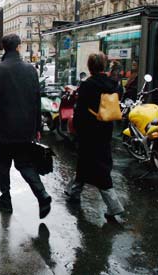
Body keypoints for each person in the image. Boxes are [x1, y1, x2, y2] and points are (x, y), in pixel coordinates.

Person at [0, 33, 52, 219]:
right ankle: (42, 194)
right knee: (24, 163)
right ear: (19, 46)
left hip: (2, 126)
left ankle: (6, 200)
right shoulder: (31, 70)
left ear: (3, 48)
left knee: (3, 163)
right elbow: (37, 100)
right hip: (25, 126)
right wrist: (37, 127)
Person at [66, 52, 124, 222]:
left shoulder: (88, 85)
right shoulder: (113, 84)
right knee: (89, 162)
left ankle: (114, 207)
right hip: (105, 129)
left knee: (97, 167)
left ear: (90, 66)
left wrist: (76, 128)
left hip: (89, 131)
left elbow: (80, 110)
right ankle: (73, 191)